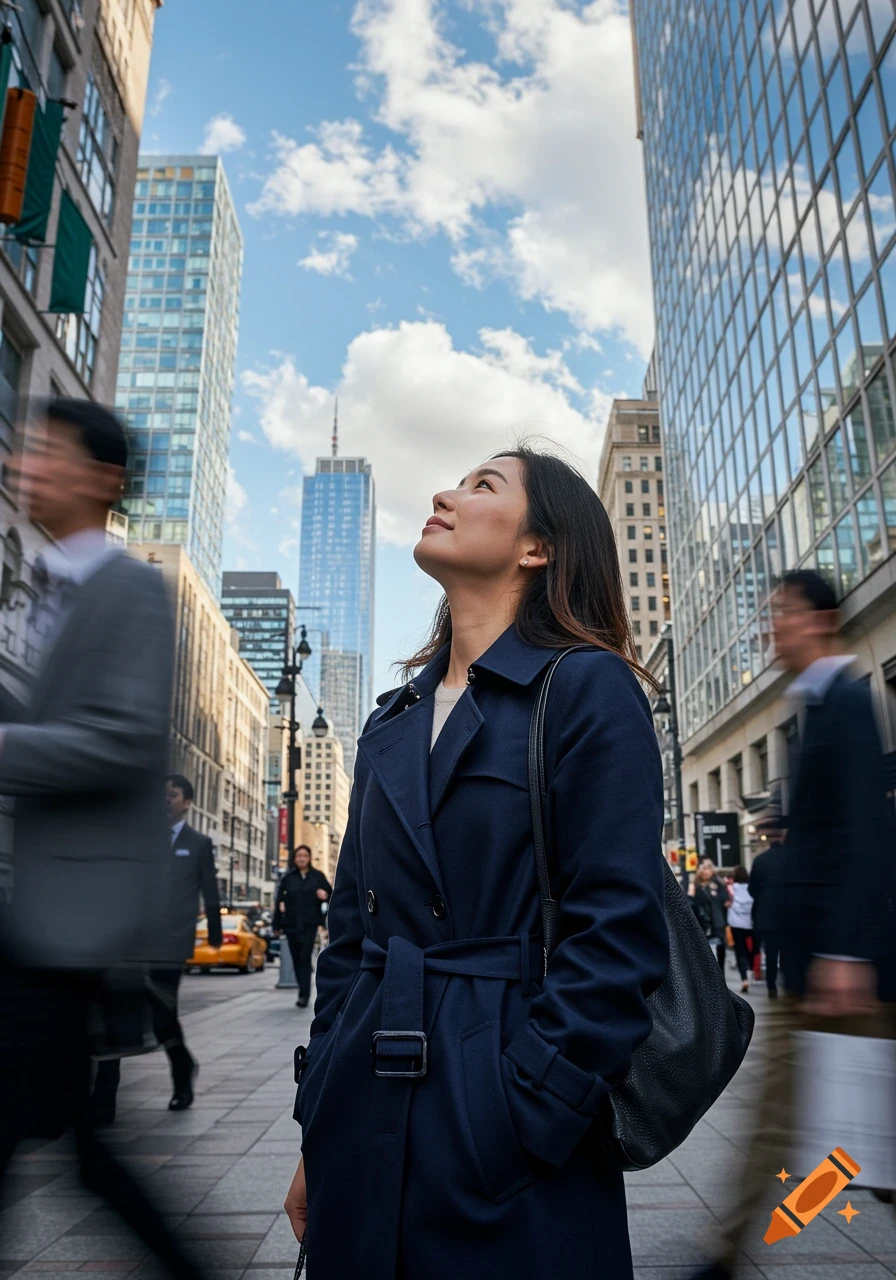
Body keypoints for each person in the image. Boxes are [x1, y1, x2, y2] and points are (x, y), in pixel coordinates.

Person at [283, 448, 669, 1279]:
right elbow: (349, 943)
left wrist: (527, 1111)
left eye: (482, 486)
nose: (445, 494)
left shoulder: (585, 688)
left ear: (538, 547)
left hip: (506, 1126)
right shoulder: (391, 720)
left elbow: (618, 932)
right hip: (364, 1113)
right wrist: (320, 1120)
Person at [0, 399, 202, 1280]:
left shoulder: (129, 585)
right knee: (73, 1143)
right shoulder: (39, 584)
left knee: (53, 1138)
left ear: (102, 480)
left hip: (68, 918)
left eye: (47, 450)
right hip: (36, 911)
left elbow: (121, 739)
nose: (25, 461)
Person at [689, 568, 893, 1280]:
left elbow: (865, 834)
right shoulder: (816, 706)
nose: (772, 626)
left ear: (823, 621)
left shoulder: (845, 702)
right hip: (820, 967)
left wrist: (845, 950)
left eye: (784, 613)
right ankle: (722, 1255)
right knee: (797, 1120)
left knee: (828, 1126)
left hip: (840, 972)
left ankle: (721, 1258)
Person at [91, 773, 222, 1123]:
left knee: (164, 1014)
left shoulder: (198, 843)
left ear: (187, 802)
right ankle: (104, 1100)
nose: (166, 799)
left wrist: (214, 933)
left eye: (173, 794)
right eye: (162, 794)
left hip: (170, 944)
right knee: (115, 1011)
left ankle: (182, 1073)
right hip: (131, 941)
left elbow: (210, 891)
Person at [274, 846, 331, 1008]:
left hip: (309, 924)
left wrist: (325, 895)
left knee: (305, 958)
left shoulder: (318, 877)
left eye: (305, 856)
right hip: (290, 925)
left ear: (310, 858)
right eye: (299, 856)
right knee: (296, 960)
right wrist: (277, 925)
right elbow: (278, 902)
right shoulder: (287, 878)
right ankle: (303, 988)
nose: (302, 859)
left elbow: (332, 895)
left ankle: (304, 995)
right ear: (294, 858)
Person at [748, 817, 786, 999]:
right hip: (790, 914)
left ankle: (772, 986)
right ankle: (789, 981)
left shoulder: (760, 861)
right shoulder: (792, 858)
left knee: (771, 953)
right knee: (789, 950)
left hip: (767, 915)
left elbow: (752, 889)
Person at [688, 858, 728, 969]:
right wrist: (691, 894)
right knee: (704, 955)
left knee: (720, 951)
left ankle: (721, 978)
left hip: (717, 923)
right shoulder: (695, 886)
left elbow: (726, 901)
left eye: (708, 868)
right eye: (703, 868)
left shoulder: (719, 884)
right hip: (702, 924)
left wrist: (715, 894)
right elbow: (691, 904)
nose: (706, 871)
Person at [727, 866, 754, 994]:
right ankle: (751, 967)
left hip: (735, 923)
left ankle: (744, 978)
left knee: (739, 950)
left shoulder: (731, 889)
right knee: (751, 948)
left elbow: (727, 903)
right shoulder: (751, 889)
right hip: (749, 923)